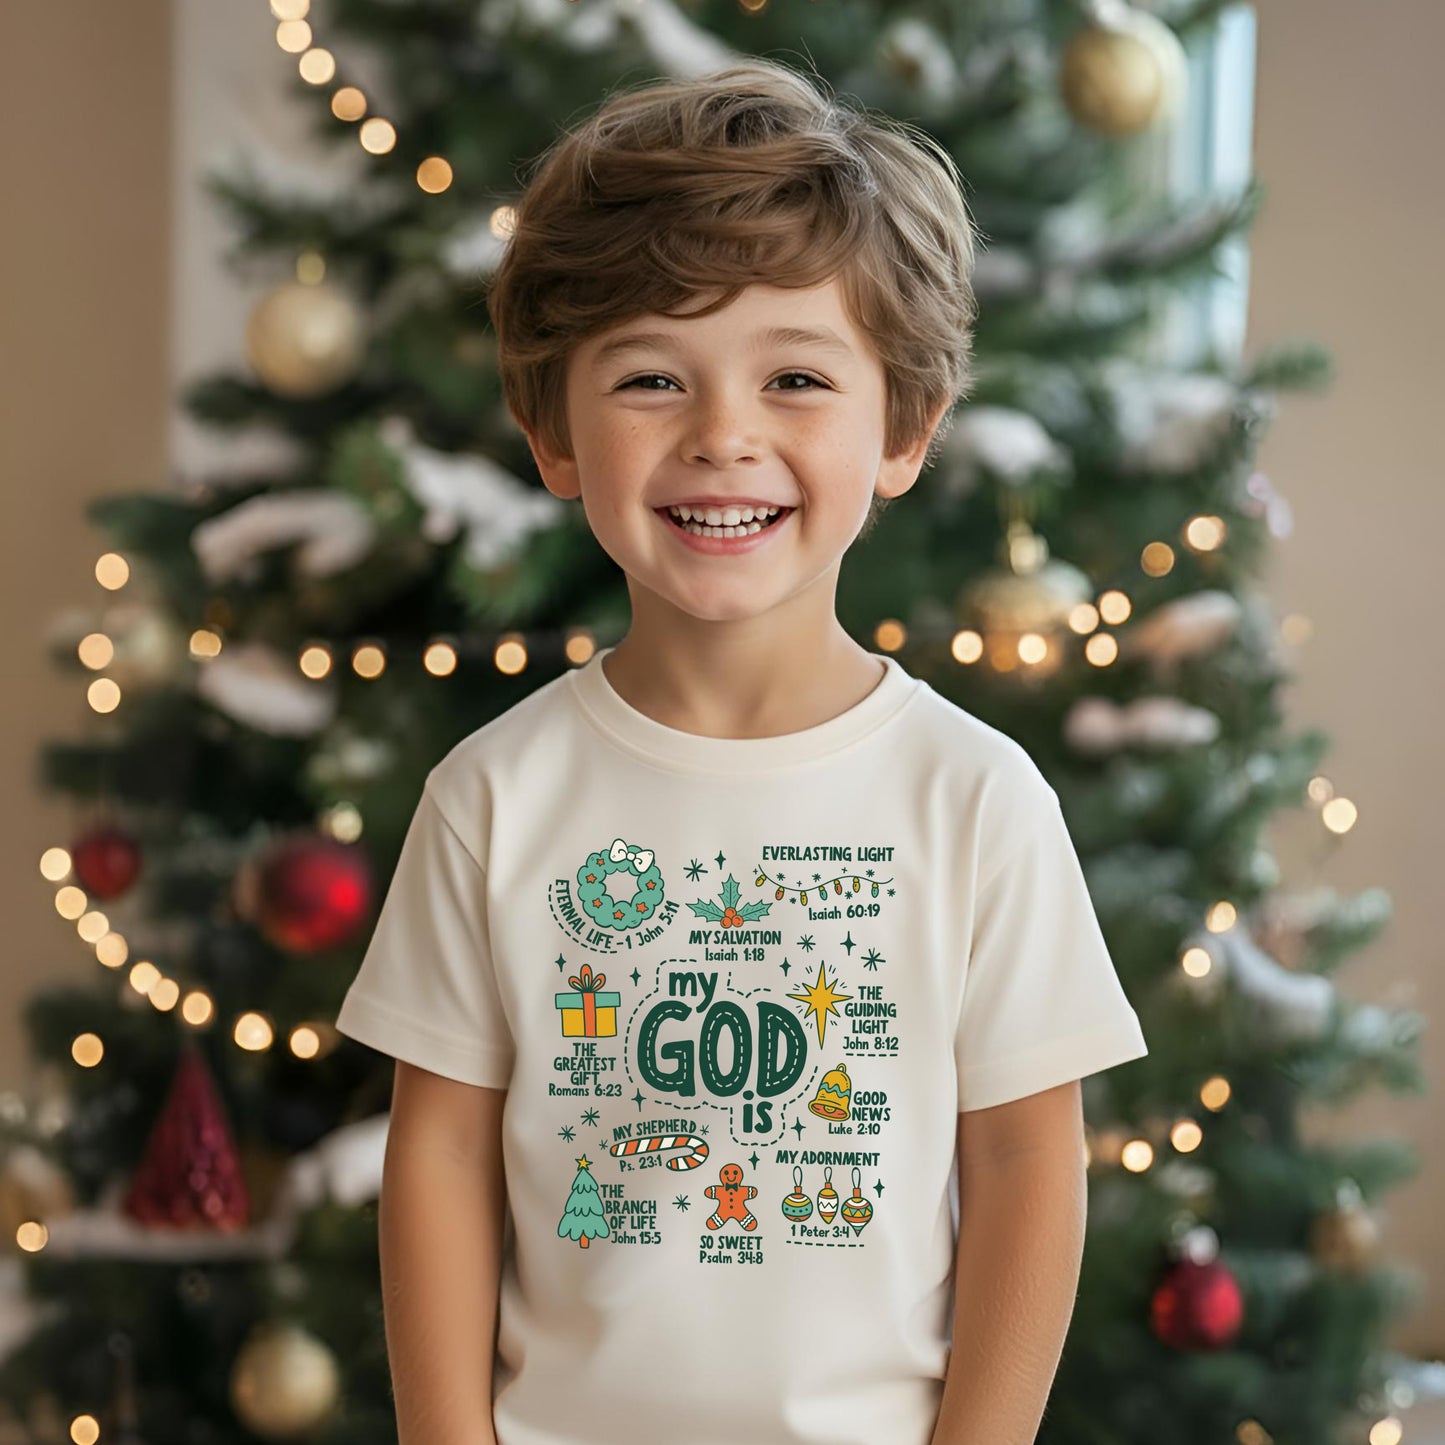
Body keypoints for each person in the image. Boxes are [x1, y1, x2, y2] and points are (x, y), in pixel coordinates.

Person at [334, 56, 1148, 1445]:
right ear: (552, 434)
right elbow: (443, 1150)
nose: (724, 436)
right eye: (651, 376)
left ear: (901, 428)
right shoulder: (491, 796)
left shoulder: (972, 801)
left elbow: (1023, 1159)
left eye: (793, 378)